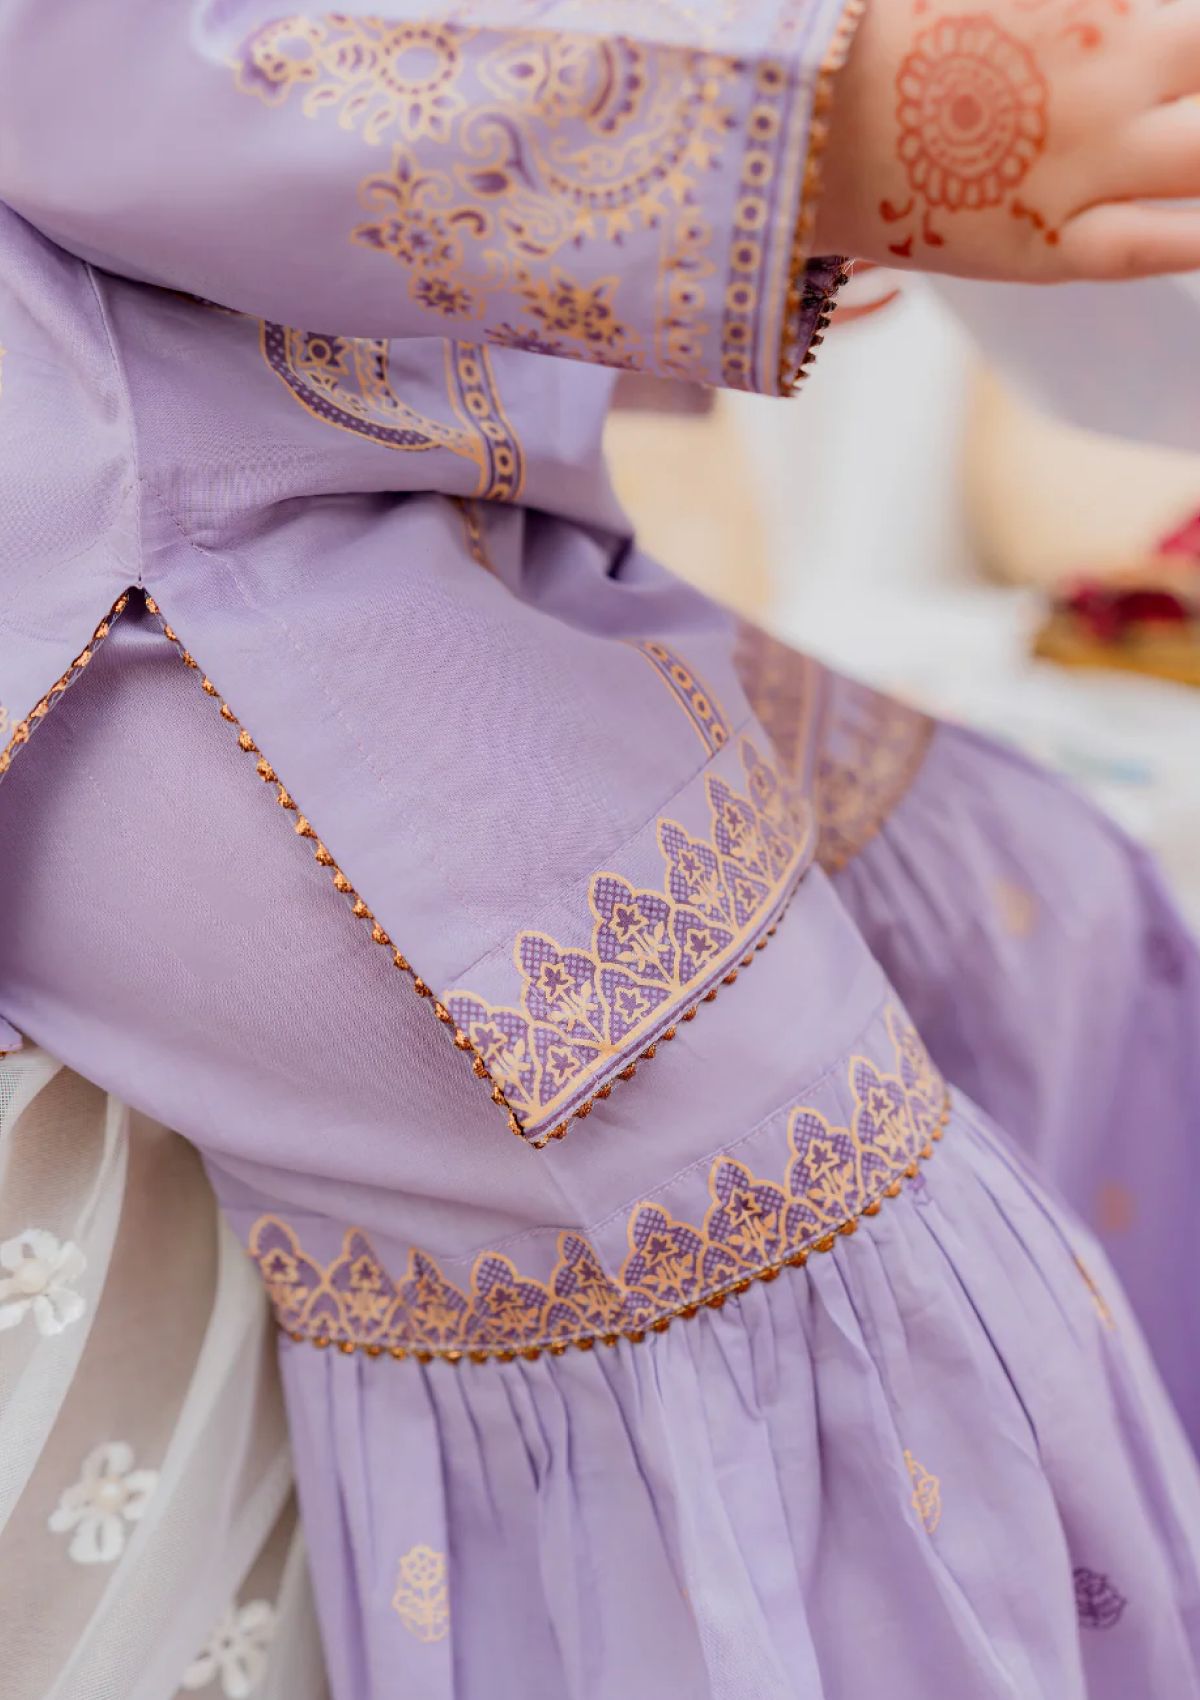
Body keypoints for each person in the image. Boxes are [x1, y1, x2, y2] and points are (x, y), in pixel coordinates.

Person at [2, 4, 1200, 1696]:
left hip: (418, 445)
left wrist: (792, 187)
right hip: (119, 511)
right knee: (753, 1181)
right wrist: (817, 124)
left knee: (1035, 895)